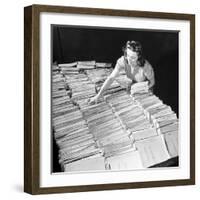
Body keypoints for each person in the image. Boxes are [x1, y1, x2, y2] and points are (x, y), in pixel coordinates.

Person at [88, 40, 155, 104]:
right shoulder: (122, 60)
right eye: (128, 55)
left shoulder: (146, 67)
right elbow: (111, 78)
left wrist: (140, 89)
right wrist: (99, 95)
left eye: (133, 57)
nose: (129, 60)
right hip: (133, 87)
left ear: (139, 57)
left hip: (145, 89)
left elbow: (152, 82)